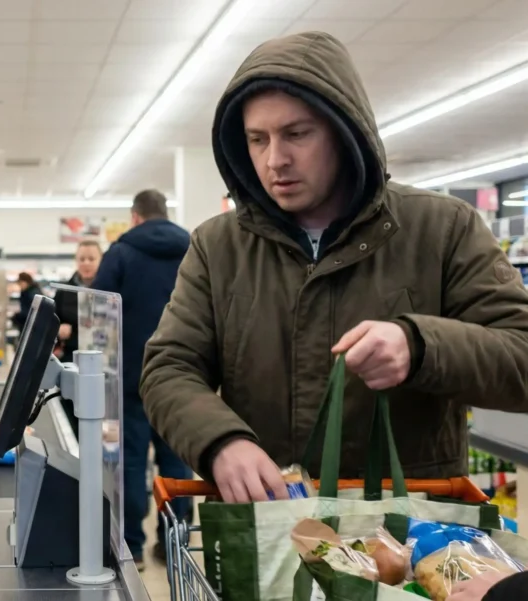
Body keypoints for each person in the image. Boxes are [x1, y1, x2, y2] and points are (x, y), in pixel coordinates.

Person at [140, 31, 528, 507]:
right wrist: (220, 441)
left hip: (412, 539)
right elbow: (168, 368)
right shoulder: (218, 247)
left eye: (297, 134)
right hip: (270, 532)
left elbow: (520, 354)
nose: (274, 159)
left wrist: (420, 345)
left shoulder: (442, 228)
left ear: (344, 133)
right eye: (257, 139)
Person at [91, 189, 192, 568]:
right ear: (165, 214)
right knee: (176, 462)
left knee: (131, 462)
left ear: (135, 217)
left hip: (130, 379)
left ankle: (131, 545)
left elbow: (96, 312)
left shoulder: (120, 253)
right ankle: (174, 543)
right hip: (183, 378)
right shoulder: (193, 249)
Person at [53, 240, 103, 435]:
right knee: (73, 411)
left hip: (102, 363)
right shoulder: (64, 291)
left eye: (91, 258)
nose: (86, 263)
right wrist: (58, 328)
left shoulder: (109, 289)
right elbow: (52, 321)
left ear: (101, 260)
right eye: (82, 258)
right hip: (71, 362)